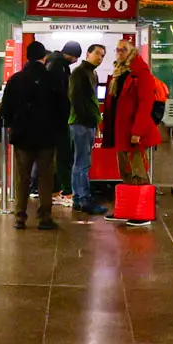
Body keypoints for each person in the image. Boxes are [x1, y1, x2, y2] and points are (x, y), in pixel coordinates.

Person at [7, 43, 71, 230]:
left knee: (22, 177)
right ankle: (44, 218)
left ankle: (20, 217)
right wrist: (58, 130)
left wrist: (15, 125)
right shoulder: (52, 79)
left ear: (27, 57)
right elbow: (63, 108)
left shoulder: (16, 80)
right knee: (45, 177)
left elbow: (7, 109)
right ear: (44, 57)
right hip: (47, 137)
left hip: (22, 137)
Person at [103, 36, 165, 191]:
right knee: (125, 170)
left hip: (134, 131)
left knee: (138, 172)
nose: (119, 53)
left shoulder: (141, 72)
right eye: (117, 49)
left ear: (132, 51)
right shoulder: (118, 72)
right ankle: (130, 206)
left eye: (123, 49)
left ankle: (141, 207)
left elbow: (145, 103)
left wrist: (137, 131)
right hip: (120, 129)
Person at [66, 43, 105, 216]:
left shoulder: (92, 73)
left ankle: (80, 198)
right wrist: (89, 119)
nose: (100, 58)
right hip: (81, 123)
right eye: (97, 53)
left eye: (103, 55)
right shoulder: (79, 72)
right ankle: (82, 198)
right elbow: (75, 98)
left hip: (87, 123)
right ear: (88, 54)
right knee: (82, 162)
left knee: (83, 162)